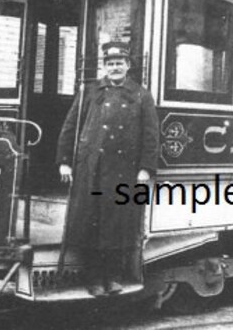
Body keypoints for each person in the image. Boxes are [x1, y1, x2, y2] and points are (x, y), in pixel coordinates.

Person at [56, 41, 160, 296]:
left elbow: (151, 135)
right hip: (91, 168)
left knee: (117, 226)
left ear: (128, 66)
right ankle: (92, 278)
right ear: (104, 67)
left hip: (123, 170)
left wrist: (146, 169)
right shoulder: (90, 92)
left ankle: (113, 277)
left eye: (119, 63)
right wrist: (64, 161)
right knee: (90, 224)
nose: (115, 68)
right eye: (110, 64)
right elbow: (70, 127)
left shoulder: (141, 94)